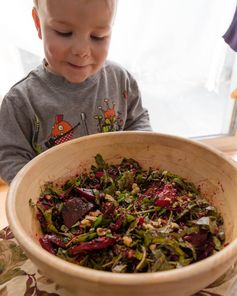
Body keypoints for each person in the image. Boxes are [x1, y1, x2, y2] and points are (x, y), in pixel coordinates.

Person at [0, 0, 151, 184]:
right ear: (39, 24)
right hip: (55, 201)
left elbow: (137, 122)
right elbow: (10, 157)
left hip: (121, 193)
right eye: (64, 33)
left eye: (98, 36)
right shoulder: (20, 101)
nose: (81, 50)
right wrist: (39, 189)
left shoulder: (120, 80)